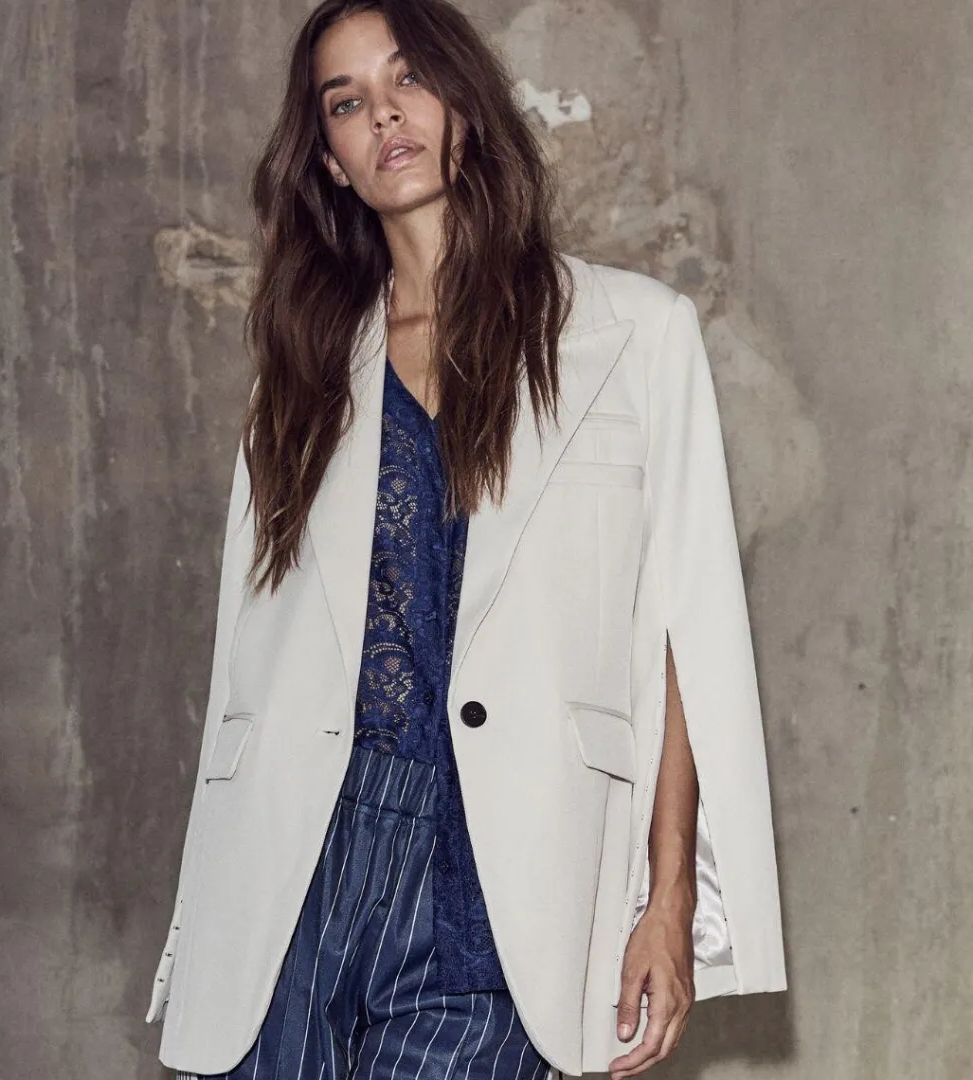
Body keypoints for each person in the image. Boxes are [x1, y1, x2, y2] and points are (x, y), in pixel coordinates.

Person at [145, 1, 787, 1078]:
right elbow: (241, 670)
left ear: (465, 103)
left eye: (408, 79)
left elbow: (690, 639)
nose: (383, 114)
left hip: (503, 889)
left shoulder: (634, 336)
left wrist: (668, 901)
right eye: (346, 102)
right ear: (332, 161)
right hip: (293, 872)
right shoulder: (301, 369)